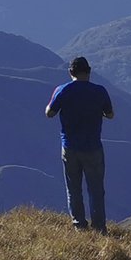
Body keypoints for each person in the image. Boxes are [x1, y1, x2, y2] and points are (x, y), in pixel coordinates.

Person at [45, 56, 115, 231]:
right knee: (96, 190)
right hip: (93, 147)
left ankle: (79, 226)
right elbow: (111, 114)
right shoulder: (100, 91)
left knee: (74, 189)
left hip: (70, 147)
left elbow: (50, 113)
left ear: (70, 72)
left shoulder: (62, 90)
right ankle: (99, 228)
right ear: (89, 71)